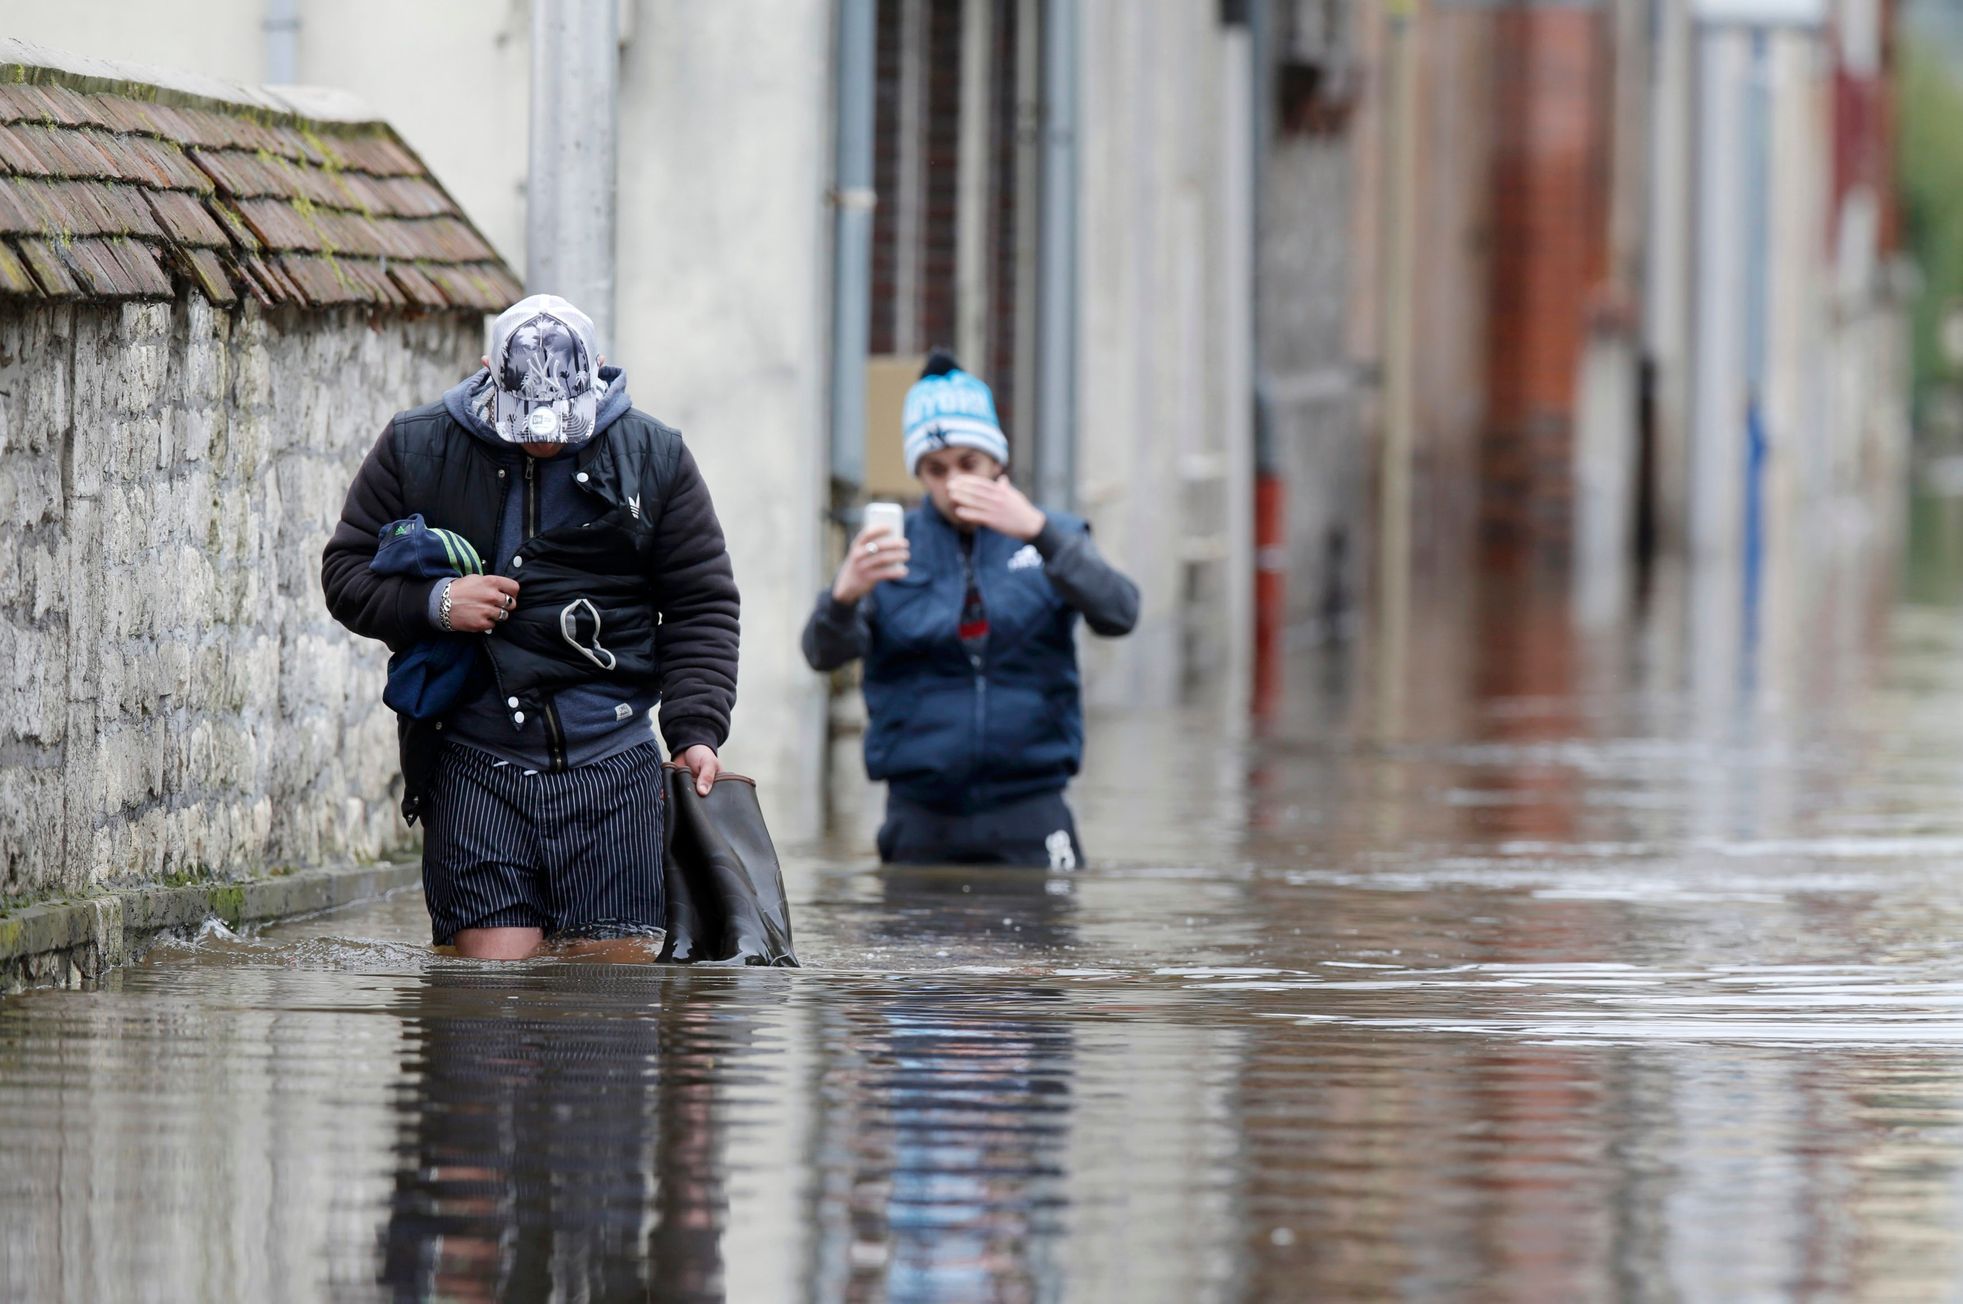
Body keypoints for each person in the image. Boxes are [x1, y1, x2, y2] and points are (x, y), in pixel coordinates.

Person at [322, 294, 739, 960]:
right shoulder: (417, 444)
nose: (543, 439)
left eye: (561, 424)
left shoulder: (654, 457)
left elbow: (700, 603)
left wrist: (695, 730)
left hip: (612, 760)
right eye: (527, 424)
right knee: (488, 1006)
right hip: (473, 756)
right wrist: (438, 601)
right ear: (489, 371)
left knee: (611, 1002)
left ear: (597, 373)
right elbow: (345, 574)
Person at [802, 349, 1138, 867]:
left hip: (1032, 808)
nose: (953, 483)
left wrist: (1040, 533)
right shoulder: (894, 546)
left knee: (1048, 946)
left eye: (968, 464)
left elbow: (1120, 613)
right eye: (935, 470)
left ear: (997, 461)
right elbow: (824, 656)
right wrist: (844, 595)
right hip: (921, 815)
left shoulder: (1053, 536)